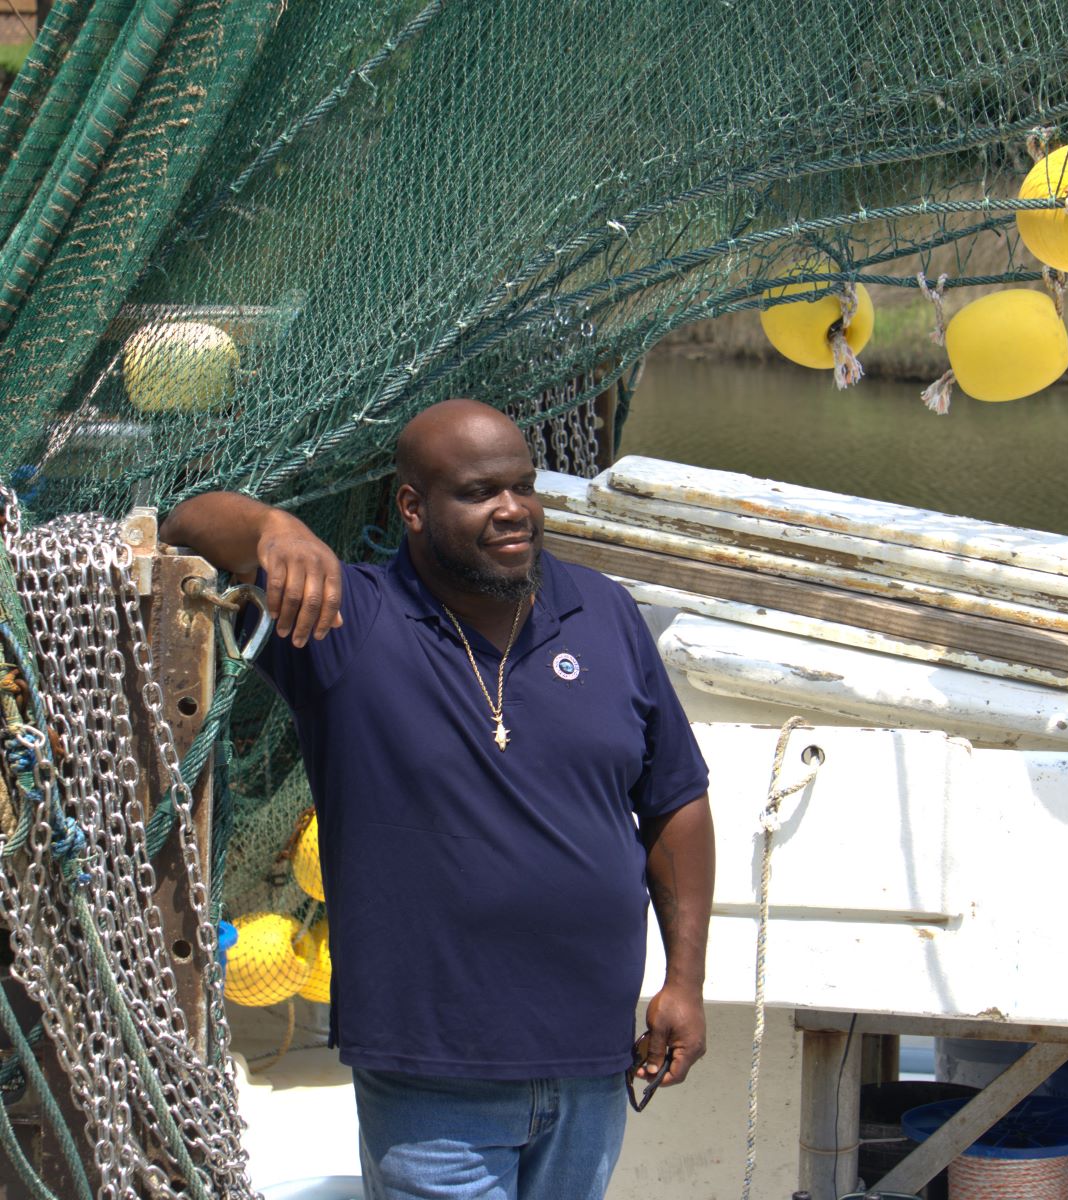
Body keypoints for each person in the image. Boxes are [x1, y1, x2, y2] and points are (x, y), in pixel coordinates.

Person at [160, 398, 715, 1200]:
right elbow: (188, 522)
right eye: (480, 492)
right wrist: (273, 528)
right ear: (413, 507)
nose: (513, 509)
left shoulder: (604, 613)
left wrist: (684, 981)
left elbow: (674, 802)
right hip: (431, 1075)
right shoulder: (344, 623)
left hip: (593, 1059)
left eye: (523, 486)